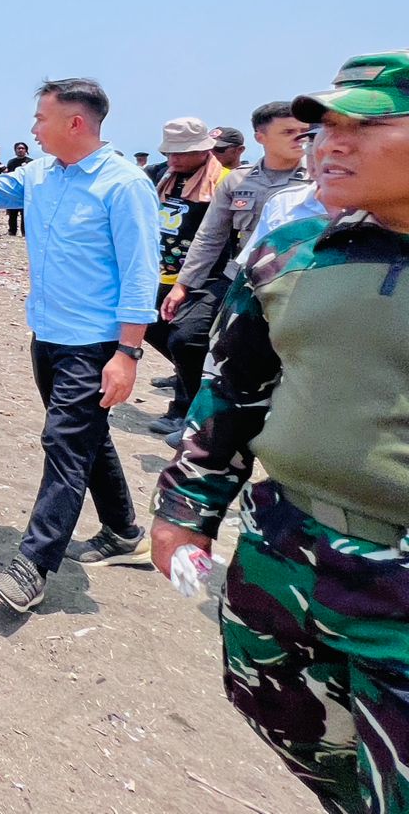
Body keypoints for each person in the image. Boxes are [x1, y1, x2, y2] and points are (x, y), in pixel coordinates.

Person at [149, 51, 409, 814]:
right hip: (286, 553)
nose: (328, 144)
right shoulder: (290, 252)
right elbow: (232, 392)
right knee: (285, 716)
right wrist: (185, 509)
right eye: (324, 127)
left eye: (363, 126)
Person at [0, 80, 159, 613]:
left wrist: (127, 354)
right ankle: (124, 532)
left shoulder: (124, 185)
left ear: (75, 123)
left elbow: (140, 276)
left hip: (95, 344)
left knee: (64, 443)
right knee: (87, 436)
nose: (33, 128)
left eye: (41, 118)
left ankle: (33, 566)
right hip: (48, 336)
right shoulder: (39, 174)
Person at [154, 103, 309, 444]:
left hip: (297, 284)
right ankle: (198, 416)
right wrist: (183, 286)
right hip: (237, 277)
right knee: (186, 338)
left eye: (303, 130)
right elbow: (210, 237)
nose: (301, 138)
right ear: (260, 137)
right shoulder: (238, 181)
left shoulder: (318, 179)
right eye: (288, 132)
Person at [141, 118, 223, 436]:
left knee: (185, 339)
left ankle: (183, 410)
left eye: (182, 153)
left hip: (204, 276)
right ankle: (189, 378)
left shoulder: (222, 181)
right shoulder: (160, 175)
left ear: (204, 150)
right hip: (160, 272)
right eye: (170, 152)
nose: (174, 159)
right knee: (147, 326)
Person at [3, 142, 33, 235]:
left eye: (22, 148)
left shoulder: (31, 162)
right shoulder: (11, 162)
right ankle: (12, 231)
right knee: (12, 213)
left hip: (26, 190)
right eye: (18, 148)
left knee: (25, 214)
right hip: (14, 190)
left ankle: (25, 232)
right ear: (15, 150)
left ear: (26, 150)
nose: (20, 150)